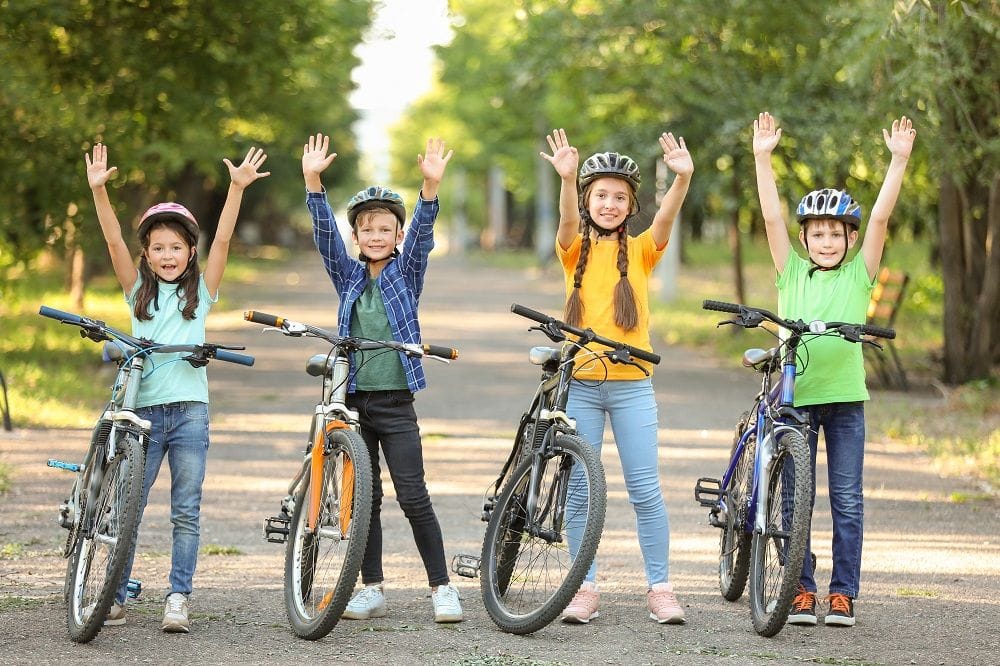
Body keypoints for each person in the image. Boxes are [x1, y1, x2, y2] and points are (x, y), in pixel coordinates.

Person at [85, 142, 270, 633]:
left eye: (176, 247)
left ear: (191, 251)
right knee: (128, 508)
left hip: (189, 412)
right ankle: (115, 593)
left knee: (185, 511)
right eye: (158, 247)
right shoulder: (137, 292)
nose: (167, 255)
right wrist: (100, 192)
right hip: (141, 413)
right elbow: (112, 244)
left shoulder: (201, 293)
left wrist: (235, 189)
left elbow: (226, 241)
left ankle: (178, 596)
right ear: (148, 253)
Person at [751, 111, 916, 627]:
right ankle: (799, 589)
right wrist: (762, 158)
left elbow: (884, 219)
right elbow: (773, 217)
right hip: (795, 397)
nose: (825, 241)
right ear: (805, 239)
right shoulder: (791, 271)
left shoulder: (860, 275)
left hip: (845, 399)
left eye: (835, 233)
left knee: (846, 499)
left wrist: (898, 161)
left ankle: (842, 593)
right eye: (817, 233)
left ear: (849, 238)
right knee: (796, 498)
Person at [300, 132, 463, 624]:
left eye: (385, 229)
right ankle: (371, 587)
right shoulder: (348, 275)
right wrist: (313, 182)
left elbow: (424, 237)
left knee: (413, 495)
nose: (375, 236)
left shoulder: (404, 273)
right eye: (366, 229)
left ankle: (441, 588)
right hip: (352, 403)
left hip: (394, 403)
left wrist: (429, 189)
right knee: (363, 499)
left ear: (396, 236)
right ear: (357, 237)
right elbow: (324, 235)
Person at [539, 128, 693, 625]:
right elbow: (564, 220)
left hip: (632, 387)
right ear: (588, 201)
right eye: (600, 195)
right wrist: (566, 179)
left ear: (631, 206)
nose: (609, 203)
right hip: (580, 386)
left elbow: (667, 215)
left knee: (644, 488)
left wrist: (682, 179)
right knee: (581, 490)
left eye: (619, 197)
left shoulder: (645, 250)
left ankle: (661, 587)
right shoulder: (574, 248)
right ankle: (583, 586)